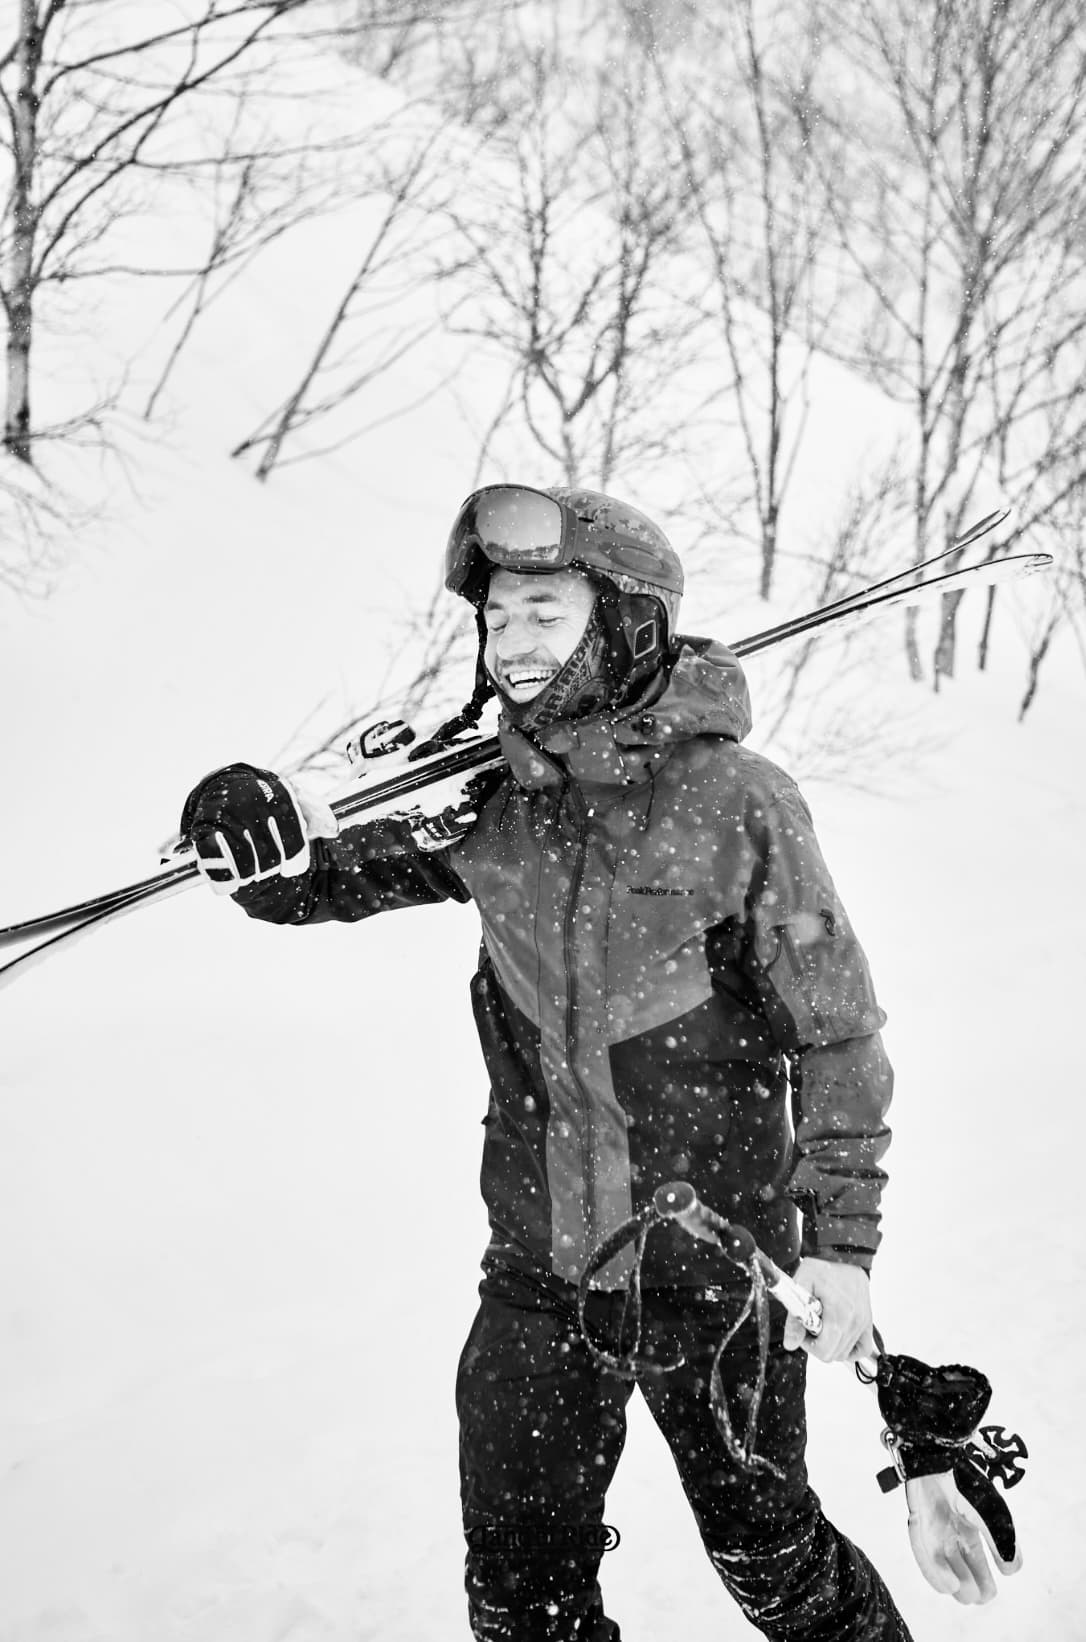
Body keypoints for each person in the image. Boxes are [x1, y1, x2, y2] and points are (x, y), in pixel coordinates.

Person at [179, 484, 913, 1641]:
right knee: (521, 1599)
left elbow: (838, 1036)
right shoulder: (484, 800)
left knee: (771, 1563)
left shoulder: (740, 803)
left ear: (624, 620)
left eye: (542, 612)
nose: (510, 644)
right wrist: (251, 830)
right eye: (496, 619)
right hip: (539, 1271)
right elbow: (320, 876)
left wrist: (845, 1249)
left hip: (717, 1275)